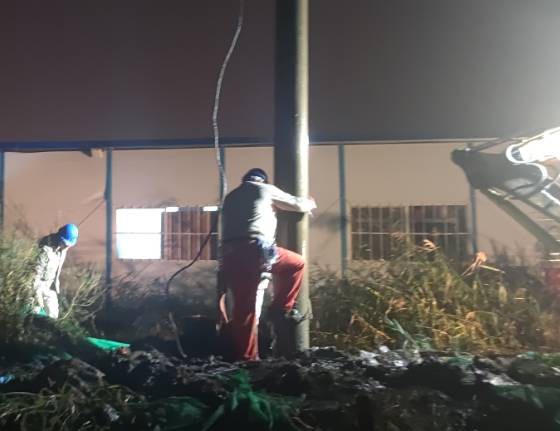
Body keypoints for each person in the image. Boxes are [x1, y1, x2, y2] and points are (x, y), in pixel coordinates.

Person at [220, 168, 316, 360]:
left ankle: (248, 358)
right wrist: (310, 203)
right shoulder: (264, 189)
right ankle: (281, 308)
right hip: (255, 250)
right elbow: (296, 204)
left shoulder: (231, 196)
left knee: (244, 308)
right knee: (297, 264)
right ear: (262, 180)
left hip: (230, 254)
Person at [32, 223, 79, 318]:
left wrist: (56, 282)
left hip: (49, 285)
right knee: (35, 312)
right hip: (37, 285)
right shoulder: (45, 250)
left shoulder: (63, 249)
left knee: (53, 315)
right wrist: (38, 297)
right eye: (66, 244)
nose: (68, 247)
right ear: (60, 238)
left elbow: (58, 265)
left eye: (69, 245)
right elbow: (35, 275)